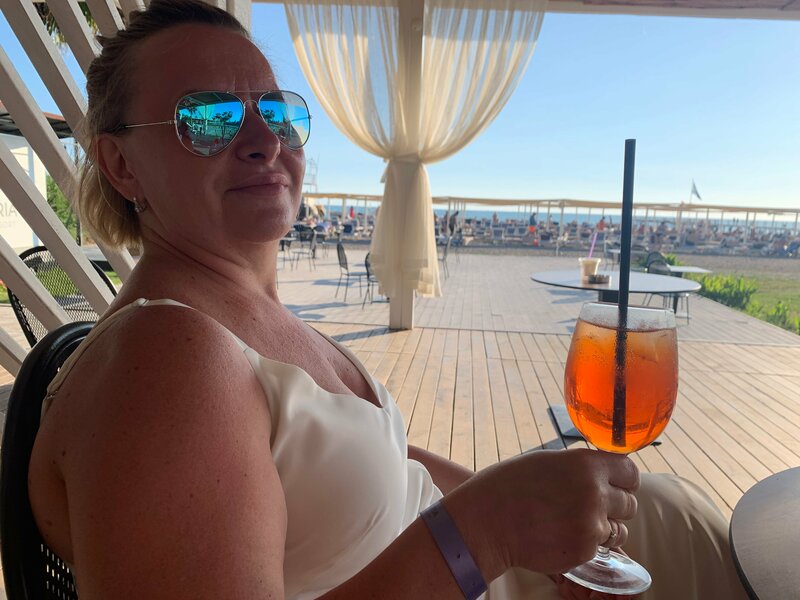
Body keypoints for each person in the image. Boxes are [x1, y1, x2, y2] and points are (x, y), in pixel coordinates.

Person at [28, 2, 747, 599]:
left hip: (483, 575)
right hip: (468, 576)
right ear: (121, 164)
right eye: (208, 117)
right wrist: (486, 530)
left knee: (669, 508)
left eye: (277, 111)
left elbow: (382, 456)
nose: (264, 141)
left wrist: (524, 515)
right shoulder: (163, 365)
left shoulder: (245, 314)